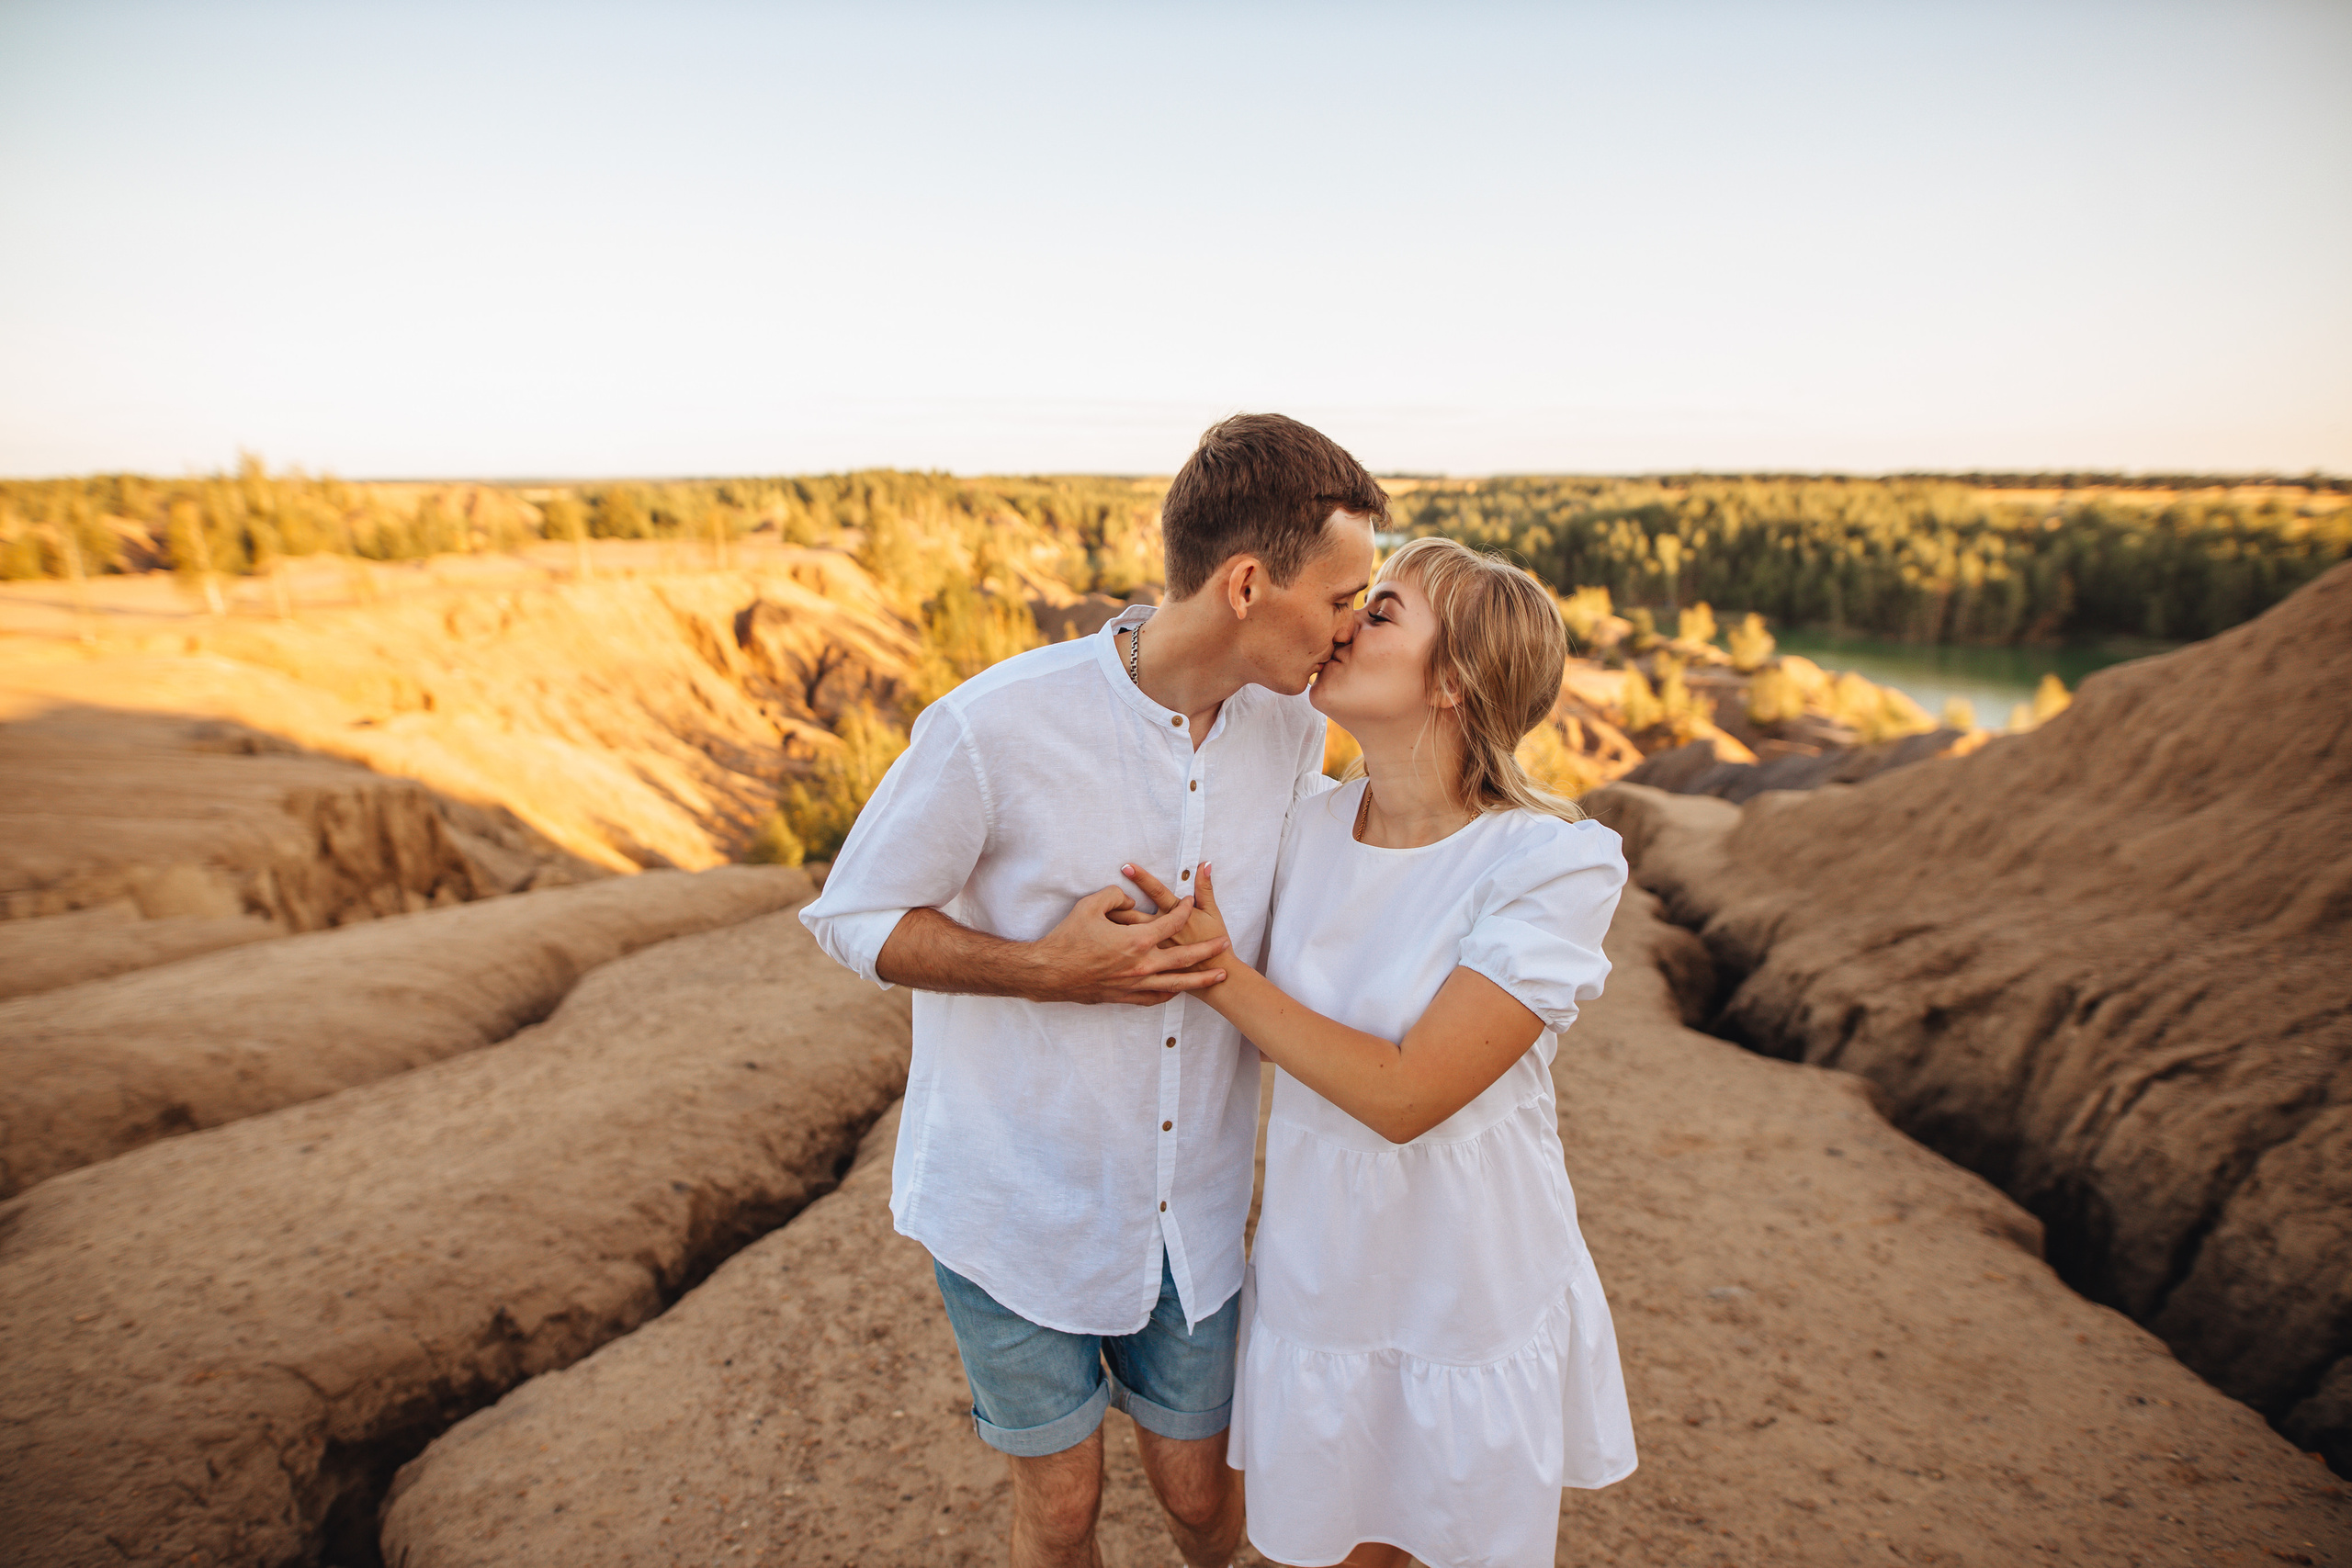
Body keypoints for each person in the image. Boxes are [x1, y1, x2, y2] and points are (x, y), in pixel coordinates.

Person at [798, 413, 1385, 1568]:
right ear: (1247, 583)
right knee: (1061, 1509)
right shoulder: (992, 725)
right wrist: (1043, 973)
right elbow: (851, 917)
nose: (1354, 624)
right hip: (1013, 1206)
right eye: (1341, 594)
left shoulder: (1289, 730)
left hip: (1196, 1214)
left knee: (1205, 1505)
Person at [1114, 536, 1637, 1568]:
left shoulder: (1550, 862)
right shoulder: (1301, 827)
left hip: (1464, 1273)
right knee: (1292, 1533)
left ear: (1455, 682)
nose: (1344, 623)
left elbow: (1408, 1095)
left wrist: (1221, 973)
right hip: (1321, 1264)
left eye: (1383, 610)